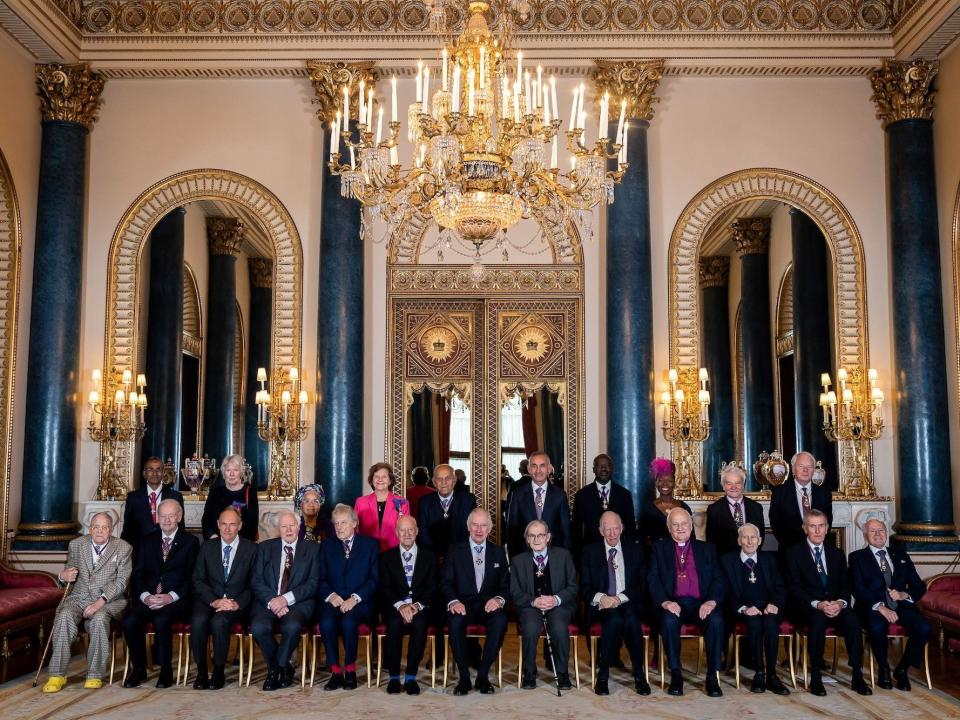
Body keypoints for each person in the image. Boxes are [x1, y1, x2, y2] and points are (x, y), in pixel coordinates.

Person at [42, 513, 133, 693]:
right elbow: (69, 574)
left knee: (99, 620)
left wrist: (100, 602)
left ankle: (94, 674)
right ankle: (57, 675)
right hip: (80, 597)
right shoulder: (76, 545)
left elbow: (122, 582)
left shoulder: (123, 548)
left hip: (109, 600)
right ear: (90, 529)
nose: (99, 531)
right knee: (64, 616)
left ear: (111, 529)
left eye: (104, 527)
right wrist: (63, 576)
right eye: (96, 527)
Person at [785, 509, 870, 696]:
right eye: (813, 526)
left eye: (821, 526)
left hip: (835, 605)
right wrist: (818, 604)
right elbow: (794, 588)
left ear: (827, 528)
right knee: (817, 621)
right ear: (805, 528)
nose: (817, 531)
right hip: (808, 607)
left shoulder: (836, 553)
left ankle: (857, 674)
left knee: (853, 621)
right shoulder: (793, 553)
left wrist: (840, 603)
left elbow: (846, 585)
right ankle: (815, 675)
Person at [648, 507, 725, 698]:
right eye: (675, 524)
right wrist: (665, 602)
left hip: (702, 603)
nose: (680, 528)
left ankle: (712, 676)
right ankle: (676, 674)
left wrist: (711, 602)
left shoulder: (707, 549)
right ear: (669, 528)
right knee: (668, 621)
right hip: (674, 603)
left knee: (716, 621)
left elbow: (719, 578)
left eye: (684, 524)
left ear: (691, 526)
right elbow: (652, 579)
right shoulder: (658, 549)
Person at [122, 499, 199, 689]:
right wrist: (145, 596)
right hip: (149, 597)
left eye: (171, 516)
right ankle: (139, 669)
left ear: (179, 517)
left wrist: (170, 596)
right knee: (130, 620)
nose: (166, 520)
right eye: (162, 515)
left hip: (176, 600)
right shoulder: (147, 540)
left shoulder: (191, 542)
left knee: (162, 620)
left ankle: (166, 671)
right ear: (157, 517)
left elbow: (192, 577)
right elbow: (138, 574)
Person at [849, 518, 930, 691]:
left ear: (886, 533)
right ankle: (884, 668)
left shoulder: (900, 554)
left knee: (924, 627)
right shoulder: (857, 557)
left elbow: (918, 585)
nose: (878, 534)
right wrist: (880, 606)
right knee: (877, 628)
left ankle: (902, 669)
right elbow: (858, 589)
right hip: (873, 607)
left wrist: (904, 594)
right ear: (865, 534)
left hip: (901, 606)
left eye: (881, 530)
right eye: (873, 531)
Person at [579, 511, 650, 696]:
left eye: (615, 528)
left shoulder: (635, 549)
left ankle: (639, 675)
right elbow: (584, 587)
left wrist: (619, 598)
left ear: (622, 528)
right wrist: (602, 597)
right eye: (607, 529)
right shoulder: (589, 551)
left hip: (628, 601)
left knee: (632, 621)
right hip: (602, 605)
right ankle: (603, 676)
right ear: (600, 531)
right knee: (614, 620)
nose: (612, 533)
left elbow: (642, 585)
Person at [442, 508, 509, 696]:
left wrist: (498, 599)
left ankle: (483, 675)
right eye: (475, 525)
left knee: (500, 621)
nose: (479, 530)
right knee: (454, 622)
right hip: (463, 603)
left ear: (490, 528)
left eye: (483, 525)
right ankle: (464, 678)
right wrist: (454, 601)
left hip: (488, 604)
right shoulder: (455, 550)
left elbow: (505, 585)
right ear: (468, 527)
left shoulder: (498, 552)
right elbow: (445, 582)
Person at [251, 510, 321, 691]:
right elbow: (256, 580)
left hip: (298, 602)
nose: (288, 530)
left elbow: (313, 583)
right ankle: (283, 667)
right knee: (259, 627)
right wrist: (274, 600)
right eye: (284, 526)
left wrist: (285, 599)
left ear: (299, 527)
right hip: (269, 601)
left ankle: (275, 670)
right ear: (278, 529)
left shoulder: (312, 549)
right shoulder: (265, 548)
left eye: (292, 526)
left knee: (292, 626)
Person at [190, 507, 257, 690]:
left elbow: (254, 583)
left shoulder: (251, 549)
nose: (227, 529)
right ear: (218, 525)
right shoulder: (207, 546)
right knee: (198, 620)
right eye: (224, 524)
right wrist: (214, 600)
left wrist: (237, 603)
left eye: (232, 524)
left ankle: (218, 672)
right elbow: (198, 579)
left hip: (236, 603)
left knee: (220, 622)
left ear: (240, 526)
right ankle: (202, 671)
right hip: (209, 600)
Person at [719, 523, 790, 695]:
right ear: (739, 540)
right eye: (745, 537)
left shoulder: (770, 560)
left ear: (759, 541)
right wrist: (743, 608)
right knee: (755, 624)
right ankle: (759, 673)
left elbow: (781, 587)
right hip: (743, 608)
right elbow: (725, 591)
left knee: (771, 624)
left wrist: (774, 604)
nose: (749, 541)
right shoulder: (727, 560)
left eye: (753, 538)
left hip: (768, 605)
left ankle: (772, 675)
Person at [317, 504, 379, 691]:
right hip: (334, 599)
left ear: (354, 523)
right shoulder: (327, 546)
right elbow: (320, 578)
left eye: (343, 523)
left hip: (360, 602)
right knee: (326, 622)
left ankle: (350, 669)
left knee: (348, 623)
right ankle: (336, 671)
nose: (339, 527)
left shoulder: (370, 545)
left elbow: (375, 579)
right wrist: (331, 595)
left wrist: (355, 598)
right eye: (336, 523)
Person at [510, 519, 577, 690]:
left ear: (548, 537)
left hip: (558, 605)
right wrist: (533, 601)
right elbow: (515, 592)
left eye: (540, 535)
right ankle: (529, 673)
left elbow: (573, 587)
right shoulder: (518, 561)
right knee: (531, 627)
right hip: (530, 606)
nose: (537, 539)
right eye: (532, 536)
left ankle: (562, 674)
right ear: (527, 539)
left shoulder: (563, 555)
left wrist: (555, 599)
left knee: (559, 627)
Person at [379, 515, 438, 695]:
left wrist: (416, 606)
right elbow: (385, 587)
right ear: (397, 533)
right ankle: (395, 677)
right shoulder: (386, 557)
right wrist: (401, 606)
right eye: (402, 530)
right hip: (395, 606)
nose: (407, 534)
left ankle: (411, 676)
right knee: (394, 625)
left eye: (410, 529)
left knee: (420, 626)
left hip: (420, 607)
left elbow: (433, 587)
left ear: (417, 531)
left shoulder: (429, 556)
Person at [505, 451, 571, 558]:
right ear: (529, 469)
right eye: (534, 466)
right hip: (525, 557)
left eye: (542, 466)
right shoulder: (517, 494)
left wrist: (565, 559)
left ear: (549, 469)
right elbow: (512, 531)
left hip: (554, 556)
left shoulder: (560, 495)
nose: (538, 470)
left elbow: (566, 531)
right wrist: (514, 561)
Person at [571, 453, 636, 560]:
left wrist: (629, 552)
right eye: (599, 466)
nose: (603, 469)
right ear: (594, 469)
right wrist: (578, 555)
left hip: (619, 552)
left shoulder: (624, 495)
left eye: (607, 466)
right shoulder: (582, 495)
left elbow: (630, 527)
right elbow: (576, 529)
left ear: (612, 468)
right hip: (591, 554)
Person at [120, 456, 185, 557]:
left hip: (168, 549)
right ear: (144, 474)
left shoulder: (175, 496)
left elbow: (180, 526)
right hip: (140, 551)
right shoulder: (133, 497)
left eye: (158, 469)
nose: (154, 473)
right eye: (150, 469)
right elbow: (127, 529)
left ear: (163, 473)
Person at [769, 451, 832, 554]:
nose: (805, 470)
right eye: (801, 466)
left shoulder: (824, 493)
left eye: (809, 467)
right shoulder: (780, 492)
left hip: (817, 549)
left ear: (814, 470)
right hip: (789, 550)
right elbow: (775, 522)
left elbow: (828, 521)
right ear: (793, 469)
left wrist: (815, 542)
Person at [418, 464, 477, 561]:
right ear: (434, 482)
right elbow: (423, 532)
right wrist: (436, 555)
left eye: (447, 478)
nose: (443, 482)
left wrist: (457, 554)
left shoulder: (468, 500)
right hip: (434, 558)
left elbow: (472, 530)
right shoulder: (424, 502)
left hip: (462, 557)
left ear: (454, 481)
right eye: (439, 479)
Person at [706, 465, 765, 557]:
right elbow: (711, 542)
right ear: (723, 486)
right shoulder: (714, 510)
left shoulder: (756, 507)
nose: (734, 487)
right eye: (729, 483)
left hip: (751, 559)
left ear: (743, 484)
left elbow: (760, 537)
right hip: (725, 561)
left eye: (738, 483)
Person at [201, 454, 259, 542]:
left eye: (235, 470)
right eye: (228, 470)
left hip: (242, 544)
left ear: (241, 472)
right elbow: (206, 520)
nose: (232, 474)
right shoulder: (215, 492)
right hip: (217, 542)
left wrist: (237, 543)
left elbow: (252, 523)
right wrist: (213, 538)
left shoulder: (250, 492)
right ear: (224, 473)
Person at [355, 462, 409, 552]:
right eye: (376, 476)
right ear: (372, 480)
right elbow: (355, 530)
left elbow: (406, 531)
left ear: (390, 480)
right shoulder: (360, 502)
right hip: (366, 551)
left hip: (393, 552)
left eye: (384, 477)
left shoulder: (402, 503)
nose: (380, 479)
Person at [639, 458, 692, 545]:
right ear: (656, 483)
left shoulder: (684, 507)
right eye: (660, 480)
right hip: (656, 554)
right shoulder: (648, 508)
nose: (665, 484)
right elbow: (642, 538)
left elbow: (691, 537)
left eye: (669, 481)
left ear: (674, 483)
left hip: (680, 553)